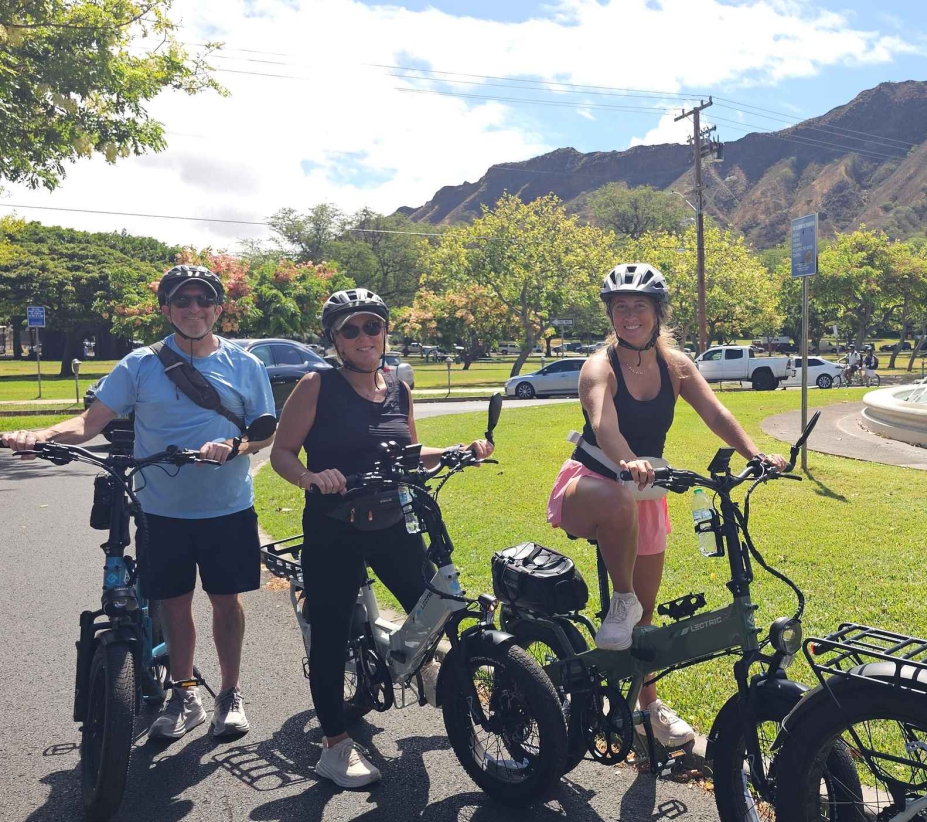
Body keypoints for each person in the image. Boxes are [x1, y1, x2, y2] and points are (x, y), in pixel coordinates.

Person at [2, 264, 277, 741]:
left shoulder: (245, 365)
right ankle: (185, 691)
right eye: (183, 301)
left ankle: (230, 692)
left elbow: (261, 433)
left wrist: (233, 447)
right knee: (173, 604)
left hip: (227, 506)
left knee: (225, 602)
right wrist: (42, 433)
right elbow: (92, 421)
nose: (194, 309)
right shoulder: (140, 364)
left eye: (203, 300)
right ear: (166, 308)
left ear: (218, 307)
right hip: (160, 511)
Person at [547, 262, 786, 749]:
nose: (630, 316)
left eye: (640, 306)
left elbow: (715, 412)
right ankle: (619, 600)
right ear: (610, 315)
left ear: (657, 313)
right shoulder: (599, 366)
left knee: (648, 615)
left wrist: (754, 454)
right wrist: (629, 462)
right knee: (621, 525)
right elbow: (604, 424)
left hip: (647, 488)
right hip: (593, 483)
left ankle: (648, 707)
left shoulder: (676, 364)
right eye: (620, 308)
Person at [268, 289, 493, 789]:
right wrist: (311, 477)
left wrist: (459, 450)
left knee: (433, 608)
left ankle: (444, 685)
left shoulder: (399, 388)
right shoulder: (316, 385)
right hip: (335, 527)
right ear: (335, 339)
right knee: (329, 634)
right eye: (351, 330)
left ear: (385, 331)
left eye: (372, 326)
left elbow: (411, 451)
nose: (364, 337)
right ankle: (333, 745)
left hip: (393, 521)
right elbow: (283, 453)